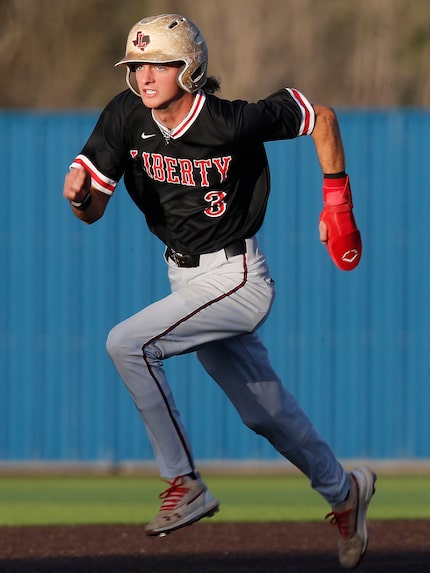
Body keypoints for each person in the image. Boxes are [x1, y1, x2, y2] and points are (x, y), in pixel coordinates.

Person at [63, 13, 375, 569]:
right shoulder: (125, 115)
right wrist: (80, 198)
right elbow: (94, 210)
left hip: (236, 277)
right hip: (184, 277)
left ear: (188, 67)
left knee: (127, 343)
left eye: (157, 63)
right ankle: (345, 493)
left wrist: (338, 207)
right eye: (136, 65)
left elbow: (320, 117)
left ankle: (184, 481)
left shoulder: (230, 121)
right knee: (266, 413)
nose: (143, 75)